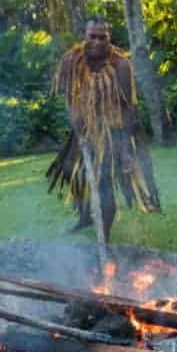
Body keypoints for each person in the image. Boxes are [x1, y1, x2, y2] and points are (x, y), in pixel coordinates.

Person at [45, 16, 162, 236]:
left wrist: (126, 148)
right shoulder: (72, 60)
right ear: (85, 36)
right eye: (92, 36)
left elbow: (129, 108)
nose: (97, 41)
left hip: (114, 133)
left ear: (109, 38)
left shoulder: (121, 65)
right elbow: (70, 99)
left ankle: (104, 237)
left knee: (104, 184)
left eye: (102, 37)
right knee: (73, 172)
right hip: (85, 128)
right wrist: (80, 133)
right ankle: (85, 217)